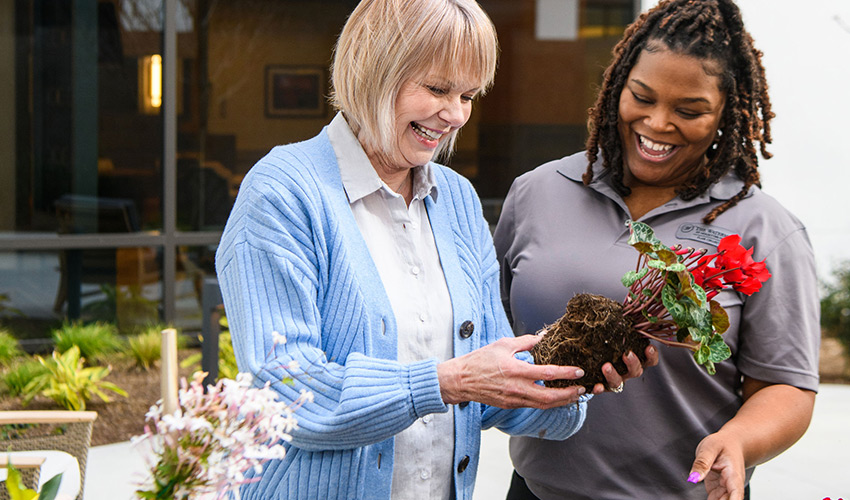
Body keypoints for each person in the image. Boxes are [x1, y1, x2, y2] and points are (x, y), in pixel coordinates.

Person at [215, 1, 650, 498]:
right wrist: (446, 382)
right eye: (438, 89)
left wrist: (576, 374)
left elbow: (487, 395)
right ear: (373, 71)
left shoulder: (457, 201)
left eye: (468, 94)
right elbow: (287, 396)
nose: (457, 114)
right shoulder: (283, 193)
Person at [493, 0, 820, 499]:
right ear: (618, 84)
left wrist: (737, 441)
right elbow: (484, 329)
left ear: (726, 114)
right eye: (641, 96)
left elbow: (787, 387)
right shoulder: (538, 191)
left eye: (689, 111)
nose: (657, 124)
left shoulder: (765, 228)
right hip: (537, 492)